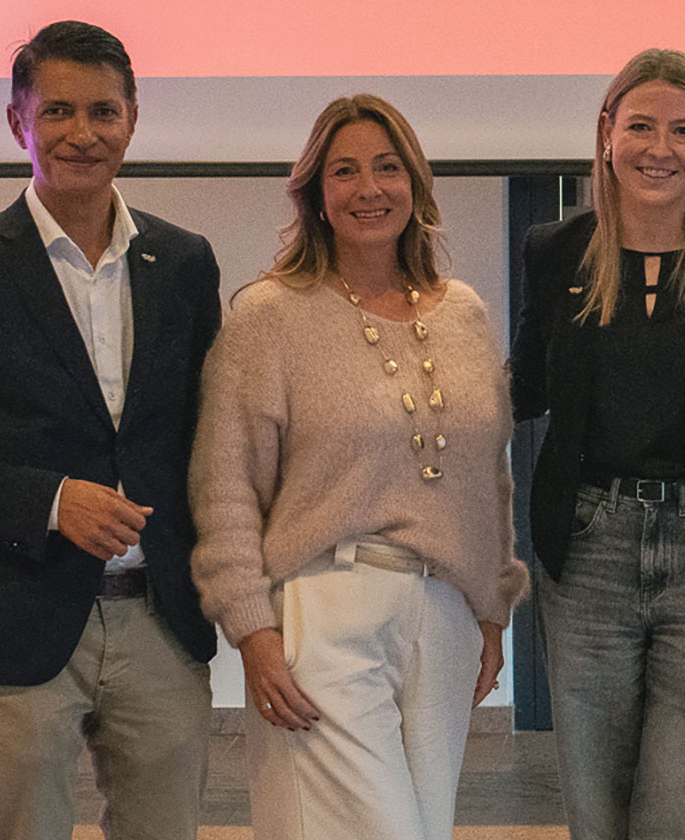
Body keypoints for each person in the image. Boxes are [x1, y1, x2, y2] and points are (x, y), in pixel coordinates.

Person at [0, 20, 220, 840]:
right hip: (15, 631)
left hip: (161, 625)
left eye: (103, 112)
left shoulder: (186, 261)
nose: (82, 134)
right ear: (17, 123)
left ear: (133, 117)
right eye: (57, 111)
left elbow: (205, 438)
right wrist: (52, 502)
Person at [188, 93, 528, 840]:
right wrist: (252, 629)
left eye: (386, 167)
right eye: (344, 171)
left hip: (444, 618)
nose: (369, 189)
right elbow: (225, 488)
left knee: (424, 829)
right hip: (326, 608)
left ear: (416, 183)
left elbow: (488, 479)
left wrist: (492, 610)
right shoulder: (269, 316)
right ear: (315, 192)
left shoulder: (462, 312)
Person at [508, 48, 685, 840]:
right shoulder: (556, 250)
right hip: (589, 545)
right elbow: (524, 387)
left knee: (680, 816)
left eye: (682, 130)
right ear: (606, 133)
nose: (659, 148)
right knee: (597, 815)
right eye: (640, 125)